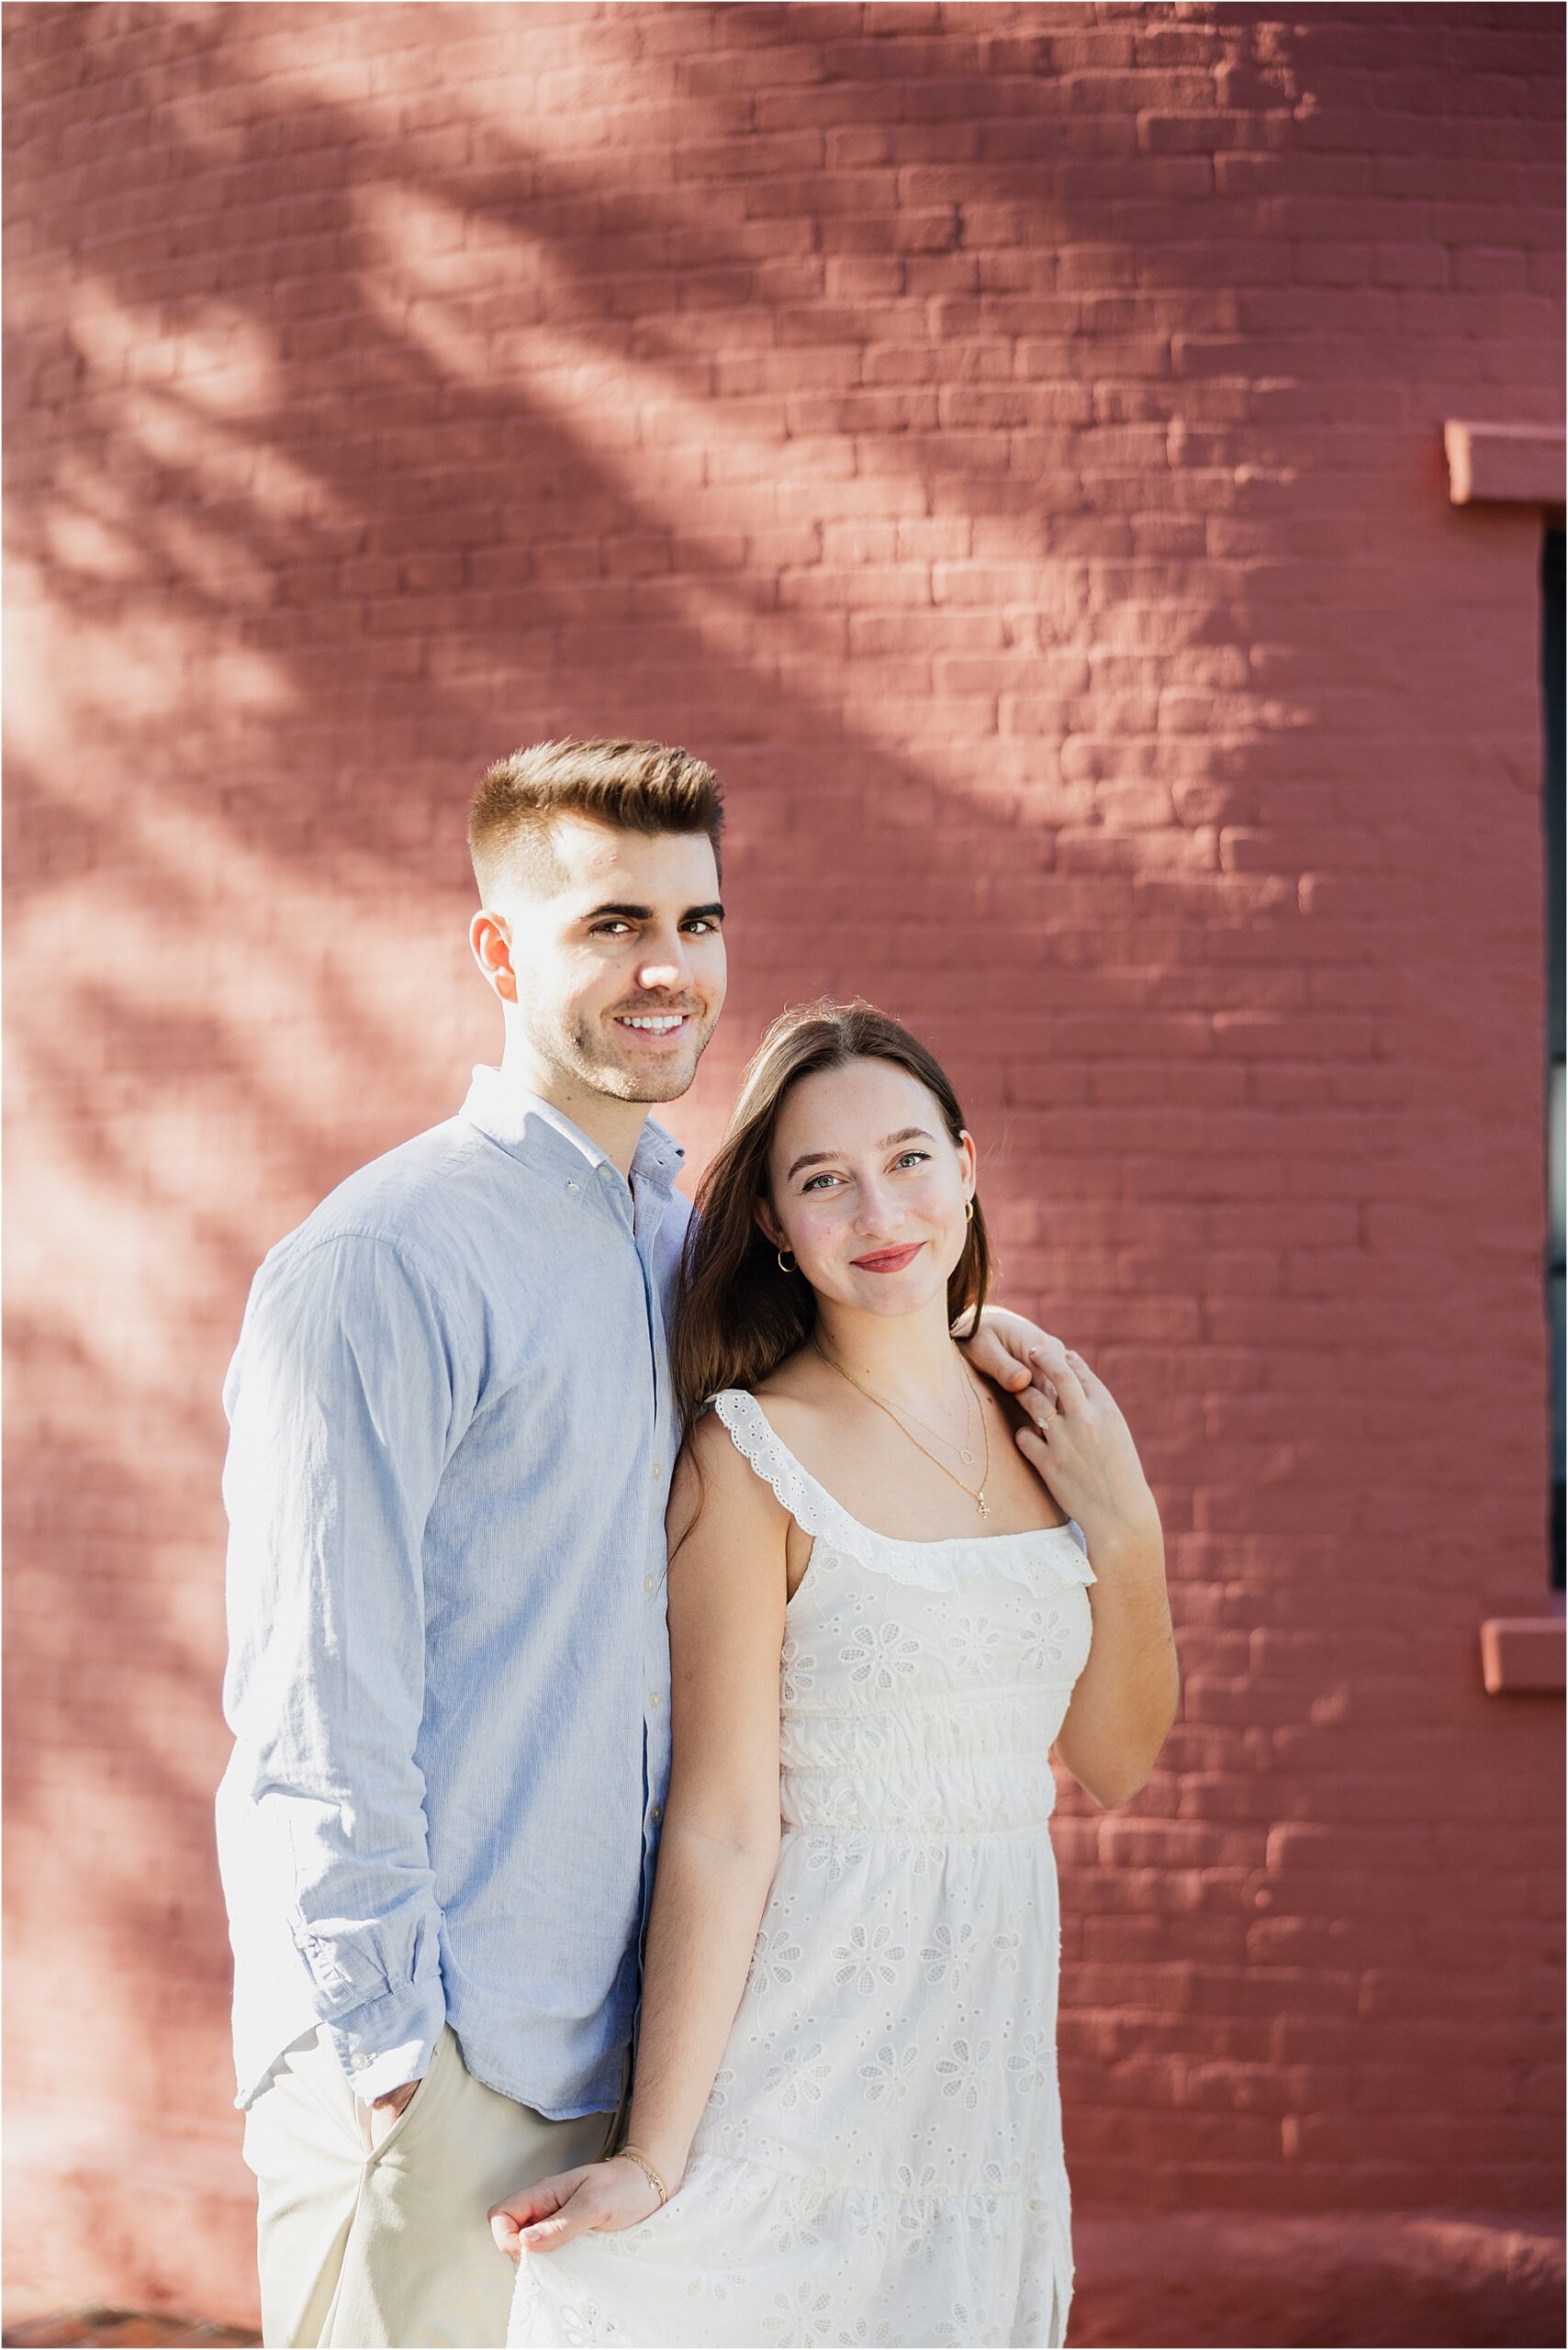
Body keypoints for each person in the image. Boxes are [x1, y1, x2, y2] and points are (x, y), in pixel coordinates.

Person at [217, 740, 1063, 2349]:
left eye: (697, 918)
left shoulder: (686, 1255)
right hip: (448, 2069)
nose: (667, 967)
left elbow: (873, 1354)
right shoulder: (383, 1264)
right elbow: (313, 1707)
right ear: (498, 953)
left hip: (657, 2071)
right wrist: (394, 2062)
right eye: (609, 923)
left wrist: (997, 1368)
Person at [494, 1001, 1180, 2350]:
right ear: (773, 1223)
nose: (882, 1210)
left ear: (969, 1168)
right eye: (825, 1180)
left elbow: (1111, 1763)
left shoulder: (1052, 1421)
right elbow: (725, 1822)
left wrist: (1130, 1533)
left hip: (978, 2069)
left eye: (911, 1158)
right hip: (803, 2052)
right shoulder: (750, 1456)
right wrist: (654, 2155)